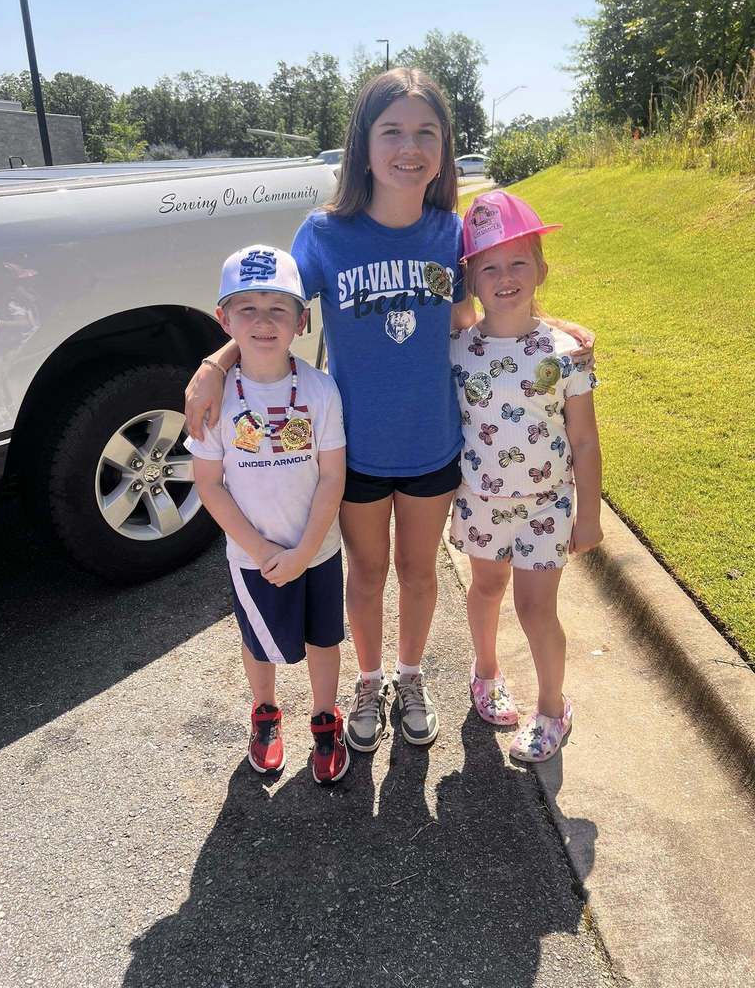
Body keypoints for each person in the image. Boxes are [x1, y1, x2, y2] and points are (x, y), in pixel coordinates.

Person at [185, 69, 595, 756]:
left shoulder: (450, 233)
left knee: (419, 572)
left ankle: (410, 677)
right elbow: (271, 313)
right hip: (354, 449)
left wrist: (550, 330)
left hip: (433, 443)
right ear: (363, 144)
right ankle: (368, 681)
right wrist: (214, 364)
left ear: (445, 145)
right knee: (368, 574)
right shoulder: (325, 234)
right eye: (393, 131)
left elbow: (480, 314)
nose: (410, 147)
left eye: (426, 132)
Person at [186, 245, 349, 784]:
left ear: (302, 321)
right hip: (252, 555)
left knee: (324, 638)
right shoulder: (214, 400)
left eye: (279, 308)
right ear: (224, 319)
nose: (263, 321)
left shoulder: (321, 390)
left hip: (317, 549)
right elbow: (209, 484)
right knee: (258, 641)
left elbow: (332, 476)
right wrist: (261, 550)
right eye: (248, 308)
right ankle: (264, 713)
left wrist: (305, 551)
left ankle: (324, 719)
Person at [449, 190, 603, 762]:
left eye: (519, 262)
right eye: (489, 267)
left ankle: (552, 708)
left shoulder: (566, 354)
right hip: (480, 501)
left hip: (546, 505)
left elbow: (584, 441)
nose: (505, 277)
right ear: (471, 279)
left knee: (537, 609)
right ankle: (485, 672)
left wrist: (589, 516)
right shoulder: (457, 350)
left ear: (541, 269)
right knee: (487, 588)